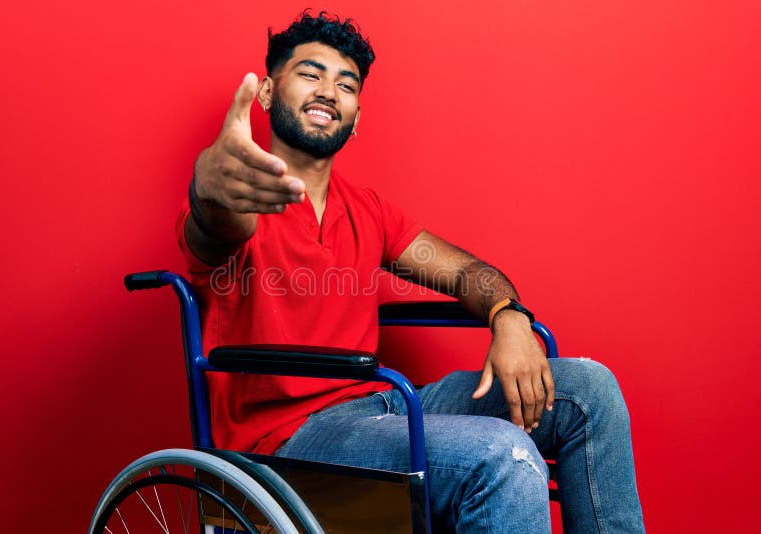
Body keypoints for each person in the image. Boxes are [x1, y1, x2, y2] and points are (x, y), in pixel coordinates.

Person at [177, 10, 644, 533]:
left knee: (588, 392)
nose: (329, 91)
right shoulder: (242, 201)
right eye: (311, 73)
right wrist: (211, 181)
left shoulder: (369, 211)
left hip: (381, 408)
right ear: (265, 94)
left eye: (345, 84)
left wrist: (508, 315)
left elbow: (468, 273)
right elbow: (214, 224)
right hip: (290, 440)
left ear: (356, 116)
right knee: (500, 453)